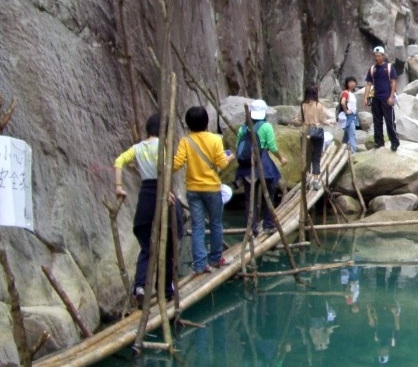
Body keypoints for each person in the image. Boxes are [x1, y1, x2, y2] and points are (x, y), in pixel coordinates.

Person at [113, 113, 183, 305]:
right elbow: (166, 169)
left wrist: (119, 186)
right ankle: (167, 289)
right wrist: (167, 190)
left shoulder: (138, 148)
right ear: (165, 131)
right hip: (162, 194)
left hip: (146, 195)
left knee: (146, 246)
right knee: (168, 245)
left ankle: (140, 286)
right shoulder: (164, 147)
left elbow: (119, 161)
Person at [172, 106, 232, 275]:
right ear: (206, 122)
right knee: (216, 223)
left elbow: (176, 165)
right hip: (212, 188)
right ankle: (216, 258)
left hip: (193, 190)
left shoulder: (186, 141)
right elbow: (221, 164)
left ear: (188, 124)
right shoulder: (214, 140)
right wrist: (228, 158)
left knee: (198, 226)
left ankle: (199, 264)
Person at [235, 99, 288, 237]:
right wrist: (281, 158)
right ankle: (268, 224)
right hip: (263, 164)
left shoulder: (243, 128)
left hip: (247, 167)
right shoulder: (266, 127)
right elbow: (272, 147)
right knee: (268, 195)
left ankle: (251, 228)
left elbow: (237, 147)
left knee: (249, 198)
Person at [364, 46, 400, 151]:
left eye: (379, 56)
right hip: (376, 99)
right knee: (377, 121)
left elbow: (393, 82)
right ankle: (379, 142)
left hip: (387, 98)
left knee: (390, 122)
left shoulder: (389, 67)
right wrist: (366, 98)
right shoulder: (372, 69)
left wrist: (391, 96)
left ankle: (394, 142)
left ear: (383, 56)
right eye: (375, 56)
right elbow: (368, 84)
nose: (377, 58)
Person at [294, 85, 328, 189]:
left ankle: (307, 178)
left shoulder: (302, 106)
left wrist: (294, 121)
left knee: (306, 155)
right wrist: (329, 122)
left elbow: (298, 121)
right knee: (316, 156)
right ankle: (316, 180)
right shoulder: (319, 105)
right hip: (317, 133)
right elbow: (323, 120)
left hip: (305, 133)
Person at [339, 77, 359, 153]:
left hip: (352, 116)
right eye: (350, 82)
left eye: (353, 82)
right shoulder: (345, 92)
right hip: (348, 117)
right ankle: (354, 153)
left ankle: (340, 150)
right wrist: (346, 111)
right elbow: (343, 102)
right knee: (352, 135)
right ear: (347, 84)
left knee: (346, 137)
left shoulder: (351, 94)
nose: (352, 83)